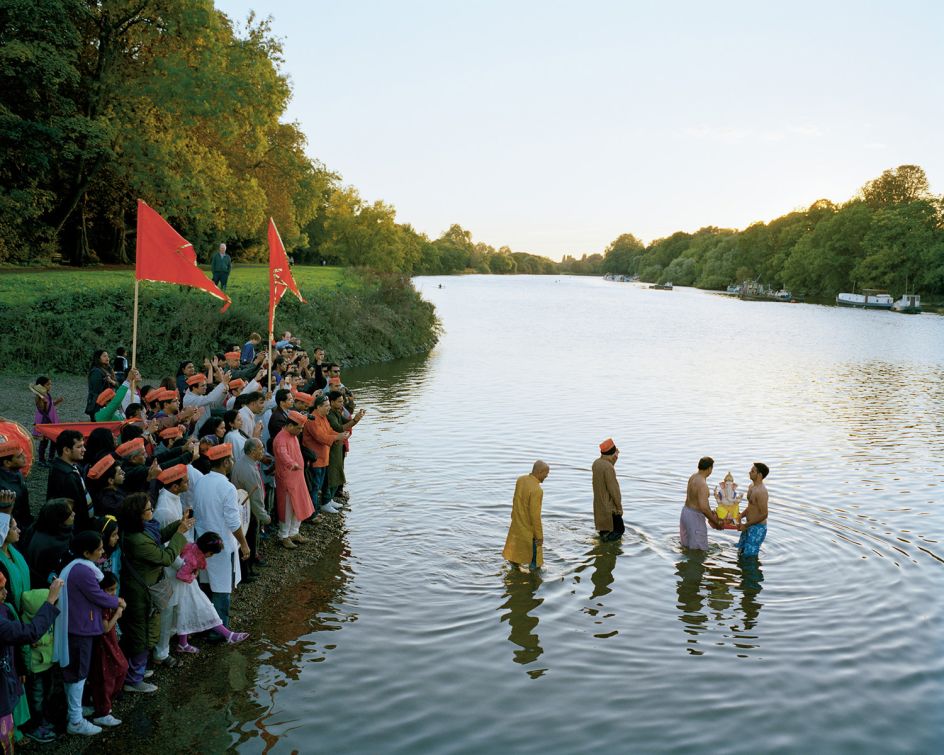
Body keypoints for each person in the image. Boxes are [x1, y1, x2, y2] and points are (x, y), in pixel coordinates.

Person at [118, 493, 193, 694]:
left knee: (145, 630)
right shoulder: (138, 541)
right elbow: (165, 557)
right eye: (148, 509)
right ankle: (134, 679)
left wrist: (179, 525)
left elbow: (159, 534)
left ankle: (137, 671)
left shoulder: (141, 530)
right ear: (138, 515)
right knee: (142, 634)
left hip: (143, 589)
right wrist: (180, 535)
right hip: (142, 593)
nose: (152, 511)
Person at [54, 531, 124, 735]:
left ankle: (73, 712)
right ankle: (75, 721)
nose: (103, 552)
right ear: (86, 552)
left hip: (74, 626)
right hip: (79, 628)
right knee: (78, 675)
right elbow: (97, 595)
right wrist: (117, 602)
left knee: (73, 673)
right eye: (99, 549)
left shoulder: (74, 567)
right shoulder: (83, 571)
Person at [0, 574, 62, 752]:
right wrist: (50, 600)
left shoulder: (4, 609)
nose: (6, 593)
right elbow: (31, 632)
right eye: (0, 589)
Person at [191, 444, 249, 628]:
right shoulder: (227, 487)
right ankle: (220, 629)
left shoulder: (201, 481)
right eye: (231, 459)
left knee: (206, 584)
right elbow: (233, 522)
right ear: (225, 462)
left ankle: (206, 625)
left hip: (202, 542)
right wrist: (244, 544)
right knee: (222, 587)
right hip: (220, 544)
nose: (232, 462)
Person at [172, 532, 249, 653]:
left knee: (184, 614)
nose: (211, 556)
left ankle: (183, 643)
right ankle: (228, 635)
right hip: (187, 588)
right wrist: (193, 575)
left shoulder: (191, 547)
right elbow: (182, 575)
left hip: (187, 588)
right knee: (206, 610)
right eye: (211, 554)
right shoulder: (192, 560)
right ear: (207, 551)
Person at [86, 572, 127, 731]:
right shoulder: (103, 606)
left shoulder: (107, 603)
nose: (113, 593)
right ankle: (102, 711)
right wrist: (117, 613)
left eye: (115, 589)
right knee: (106, 676)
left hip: (109, 643)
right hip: (104, 644)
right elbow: (105, 628)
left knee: (119, 669)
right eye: (110, 590)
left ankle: (101, 703)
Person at [273, 412, 315, 549]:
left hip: (298, 476)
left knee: (299, 504)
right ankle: (284, 535)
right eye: (299, 428)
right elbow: (282, 455)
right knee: (288, 508)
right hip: (287, 478)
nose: (300, 431)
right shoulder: (280, 439)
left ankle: (294, 532)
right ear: (290, 425)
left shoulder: (292, 434)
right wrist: (292, 464)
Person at [303, 395, 348, 515]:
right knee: (315, 487)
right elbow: (321, 437)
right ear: (318, 407)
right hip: (316, 459)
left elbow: (329, 431)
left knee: (322, 484)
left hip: (324, 457)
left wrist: (340, 435)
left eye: (329, 405)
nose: (329, 408)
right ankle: (314, 512)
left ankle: (325, 503)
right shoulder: (313, 419)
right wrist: (337, 437)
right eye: (327, 406)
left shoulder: (322, 417)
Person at [502, 461, 549, 571]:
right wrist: (539, 536)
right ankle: (533, 579)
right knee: (536, 563)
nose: (547, 476)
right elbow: (535, 516)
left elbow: (515, 500)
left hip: (517, 524)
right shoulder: (537, 490)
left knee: (514, 556)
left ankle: (515, 570)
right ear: (540, 472)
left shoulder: (521, 480)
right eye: (546, 474)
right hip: (529, 529)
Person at [47, 430, 93, 530]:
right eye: (79, 447)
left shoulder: (71, 466)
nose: (84, 449)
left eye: (83, 446)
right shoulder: (67, 476)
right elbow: (75, 508)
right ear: (66, 450)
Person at [25, 500, 74, 590]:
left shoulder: (37, 527)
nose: (74, 514)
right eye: (70, 514)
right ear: (60, 520)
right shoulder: (54, 546)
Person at [680, 457, 724, 551]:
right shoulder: (702, 484)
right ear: (709, 469)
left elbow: (698, 501)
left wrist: (711, 512)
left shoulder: (693, 477)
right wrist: (716, 522)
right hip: (694, 517)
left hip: (685, 512)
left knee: (686, 546)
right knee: (699, 550)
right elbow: (703, 508)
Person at [592, 438, 624, 541]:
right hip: (610, 509)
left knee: (604, 532)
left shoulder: (596, 463)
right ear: (613, 454)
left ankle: (603, 547)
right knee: (619, 530)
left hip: (599, 507)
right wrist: (619, 508)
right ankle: (606, 547)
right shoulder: (608, 468)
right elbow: (614, 490)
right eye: (616, 454)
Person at [737, 463, 770, 557]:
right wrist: (740, 515)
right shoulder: (751, 487)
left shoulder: (762, 491)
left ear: (759, 475)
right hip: (748, 525)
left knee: (749, 557)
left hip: (757, 528)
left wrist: (746, 525)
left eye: (752, 471)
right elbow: (751, 506)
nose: (749, 472)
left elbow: (764, 514)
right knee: (741, 551)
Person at [30, 377, 62, 466]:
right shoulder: (39, 397)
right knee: (44, 441)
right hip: (45, 420)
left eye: (50, 384)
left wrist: (57, 401)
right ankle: (41, 460)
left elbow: (50, 404)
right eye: (48, 384)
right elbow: (42, 408)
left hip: (51, 420)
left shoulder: (46, 394)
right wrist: (42, 402)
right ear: (41, 386)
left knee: (54, 439)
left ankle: (51, 458)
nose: (50, 386)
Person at [0, 441, 31, 529]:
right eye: (19, 456)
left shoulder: (16, 472)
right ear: (7, 463)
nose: (24, 457)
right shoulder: (3, 488)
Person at [84, 350, 116, 421]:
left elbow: (116, 384)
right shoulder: (96, 372)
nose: (107, 358)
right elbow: (96, 390)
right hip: (98, 403)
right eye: (104, 356)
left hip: (107, 401)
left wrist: (111, 381)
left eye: (107, 356)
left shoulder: (108, 369)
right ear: (98, 358)